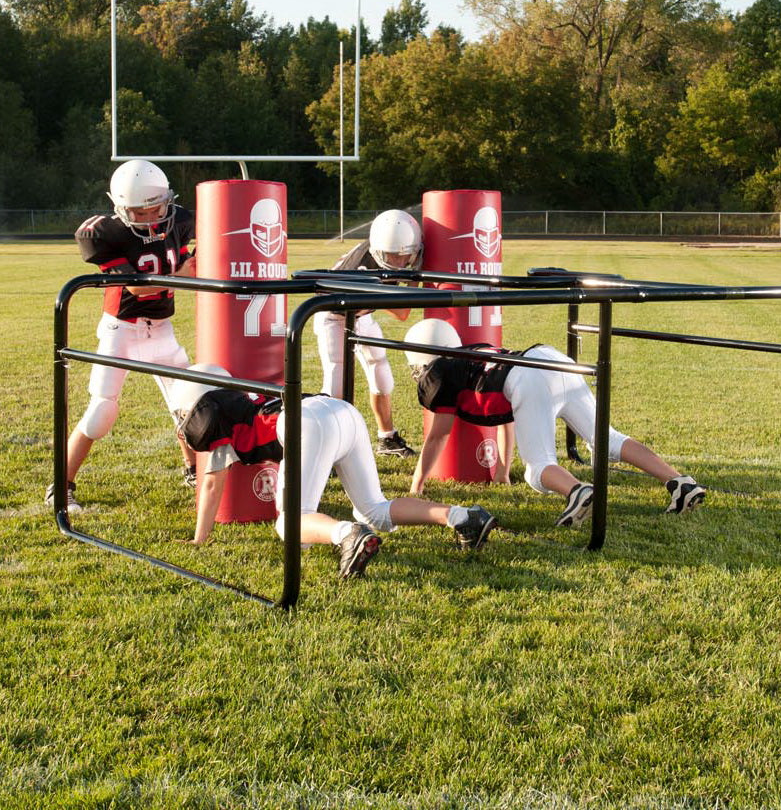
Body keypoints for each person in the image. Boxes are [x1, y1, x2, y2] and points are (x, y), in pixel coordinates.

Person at [170, 364, 497, 576]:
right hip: (340, 411)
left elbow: (212, 485)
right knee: (373, 509)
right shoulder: (241, 400)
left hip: (307, 423)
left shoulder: (214, 417)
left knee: (290, 523)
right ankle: (463, 517)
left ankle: (347, 535)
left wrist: (200, 539)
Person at [403, 319, 705, 525]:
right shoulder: (474, 353)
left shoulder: (440, 372)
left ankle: (576, 491)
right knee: (607, 439)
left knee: (537, 468)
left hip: (528, 377)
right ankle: (679, 482)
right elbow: (504, 418)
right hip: (548, 358)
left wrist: (417, 485)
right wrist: (502, 474)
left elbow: (438, 434)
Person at [46, 159, 198, 513]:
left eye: (155, 208)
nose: (149, 218)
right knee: (101, 411)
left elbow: (195, 257)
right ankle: (61, 483)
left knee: (190, 406)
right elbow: (136, 287)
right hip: (122, 331)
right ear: (120, 208)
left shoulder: (181, 221)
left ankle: (193, 469)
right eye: (137, 212)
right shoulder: (105, 234)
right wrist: (181, 272)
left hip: (162, 330)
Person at [313, 208, 423, 457]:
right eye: (391, 256)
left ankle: (387, 439)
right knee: (336, 388)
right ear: (378, 250)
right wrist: (415, 279)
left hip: (361, 313)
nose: (398, 261)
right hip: (334, 315)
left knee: (382, 374)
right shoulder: (367, 272)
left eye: (404, 255)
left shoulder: (389, 239)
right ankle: (325, 450)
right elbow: (402, 312)